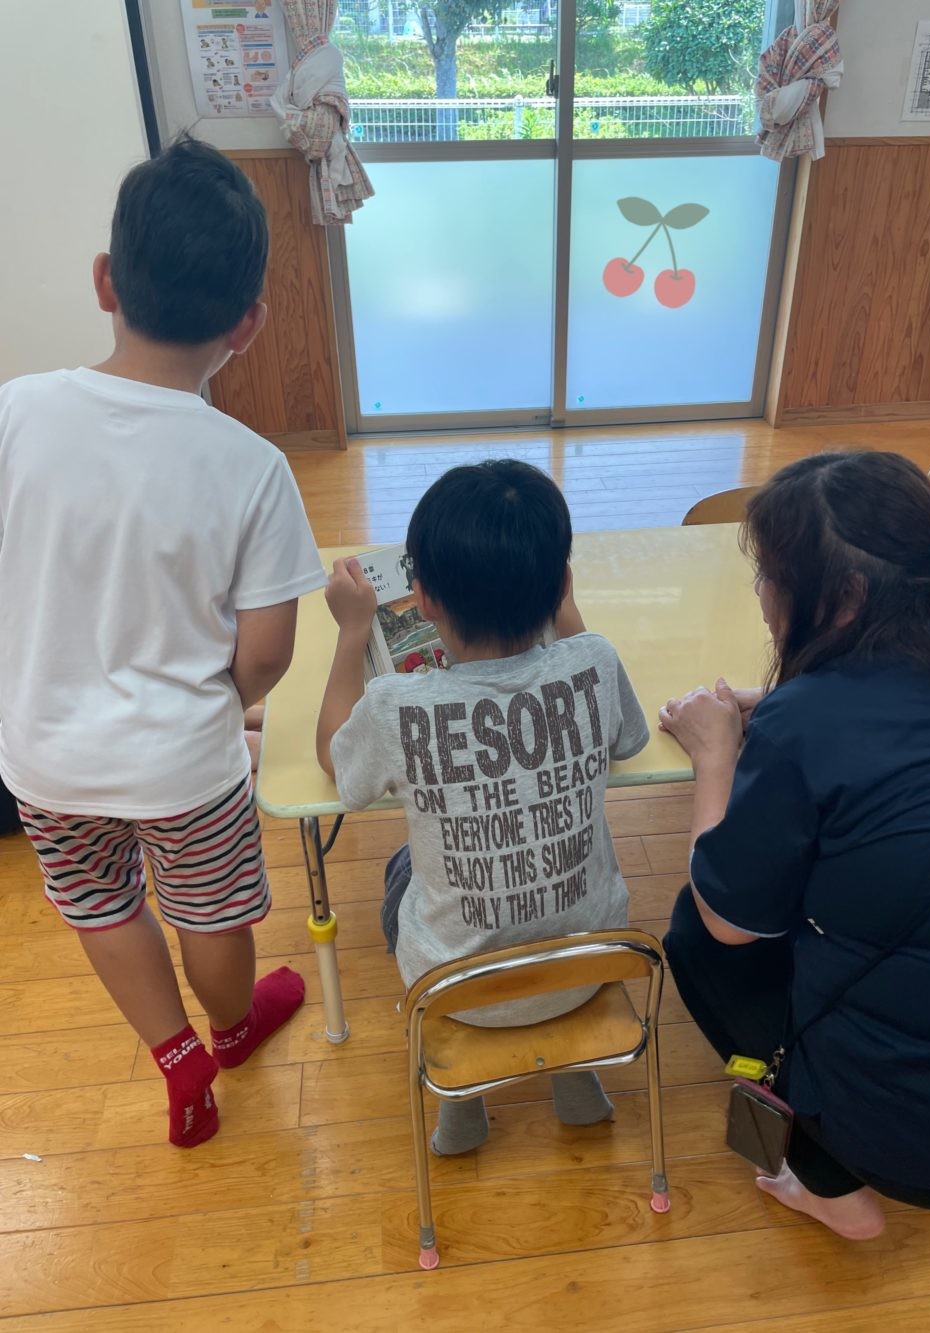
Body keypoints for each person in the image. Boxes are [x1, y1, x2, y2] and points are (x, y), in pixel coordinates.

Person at [0, 136, 327, 1148]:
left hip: (45, 756)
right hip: (185, 764)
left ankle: (176, 1057)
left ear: (106, 281)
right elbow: (266, 654)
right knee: (210, 911)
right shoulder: (253, 466)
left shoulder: (13, 411)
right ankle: (230, 1029)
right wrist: (219, 704)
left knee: (100, 904)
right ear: (250, 324)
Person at [659, 451, 930, 1239]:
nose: (762, 594)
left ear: (843, 598)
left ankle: (826, 1182)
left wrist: (716, 754)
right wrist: (789, 704)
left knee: (696, 934)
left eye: (770, 576)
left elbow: (726, 920)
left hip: (907, 1146)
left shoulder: (806, 722)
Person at [316, 460, 649, 1154]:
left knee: (404, 870)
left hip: (455, 988)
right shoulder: (593, 659)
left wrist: (352, 632)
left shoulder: (394, 705)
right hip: (588, 966)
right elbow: (628, 738)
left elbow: (334, 763)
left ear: (423, 601)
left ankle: (461, 1103)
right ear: (562, 584)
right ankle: (576, 1078)